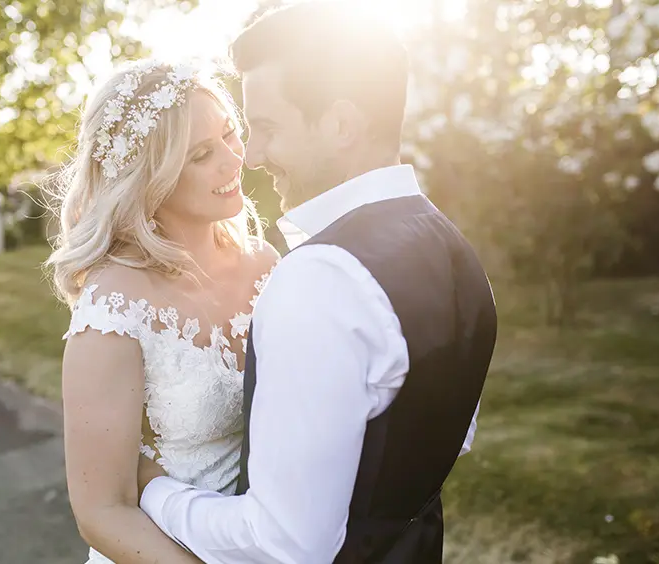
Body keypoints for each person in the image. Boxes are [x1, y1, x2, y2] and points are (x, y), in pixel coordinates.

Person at [136, 2, 498, 563]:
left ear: (340, 125)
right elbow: (441, 436)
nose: (251, 157)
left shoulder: (318, 279)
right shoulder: (458, 256)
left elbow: (284, 543)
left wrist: (154, 490)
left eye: (269, 129)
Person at [44, 59, 279, 564]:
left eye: (229, 134)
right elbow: (102, 511)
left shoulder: (267, 264)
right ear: (151, 177)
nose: (232, 160)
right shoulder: (115, 306)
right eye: (201, 154)